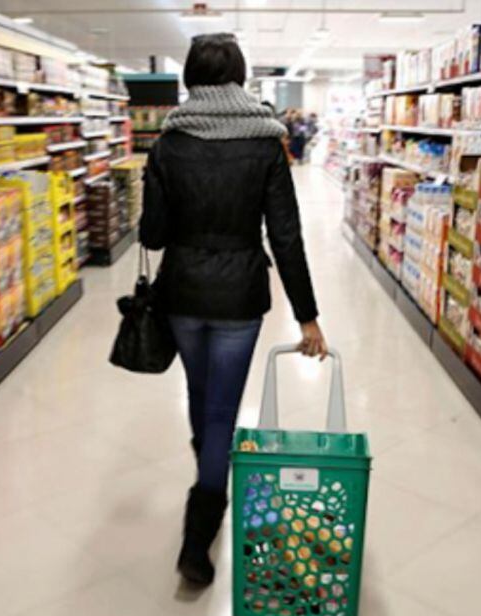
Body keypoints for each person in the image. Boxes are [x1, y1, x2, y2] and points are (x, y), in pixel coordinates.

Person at [140, 32, 327, 587]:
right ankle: (198, 533)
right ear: (241, 78)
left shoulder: (168, 142)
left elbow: (152, 235)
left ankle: (207, 478)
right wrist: (306, 315)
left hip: (183, 291)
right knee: (220, 410)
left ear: (189, 79)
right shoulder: (268, 140)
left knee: (202, 399)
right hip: (240, 294)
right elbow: (286, 237)